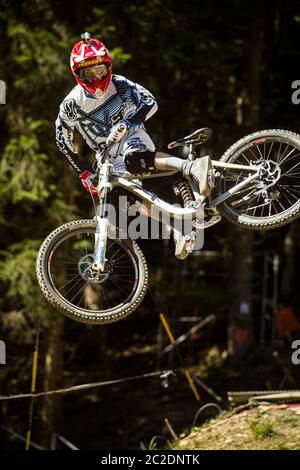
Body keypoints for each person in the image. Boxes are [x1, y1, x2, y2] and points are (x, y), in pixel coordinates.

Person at [55, 32, 211, 258]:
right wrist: (83, 173)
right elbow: (62, 140)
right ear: (77, 74)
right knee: (123, 199)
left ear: (108, 66)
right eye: (87, 72)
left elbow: (150, 102)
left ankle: (191, 167)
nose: (96, 77)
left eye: (100, 69)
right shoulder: (71, 103)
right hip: (106, 155)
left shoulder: (120, 84)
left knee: (134, 159)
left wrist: (129, 123)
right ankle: (177, 225)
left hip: (131, 135)